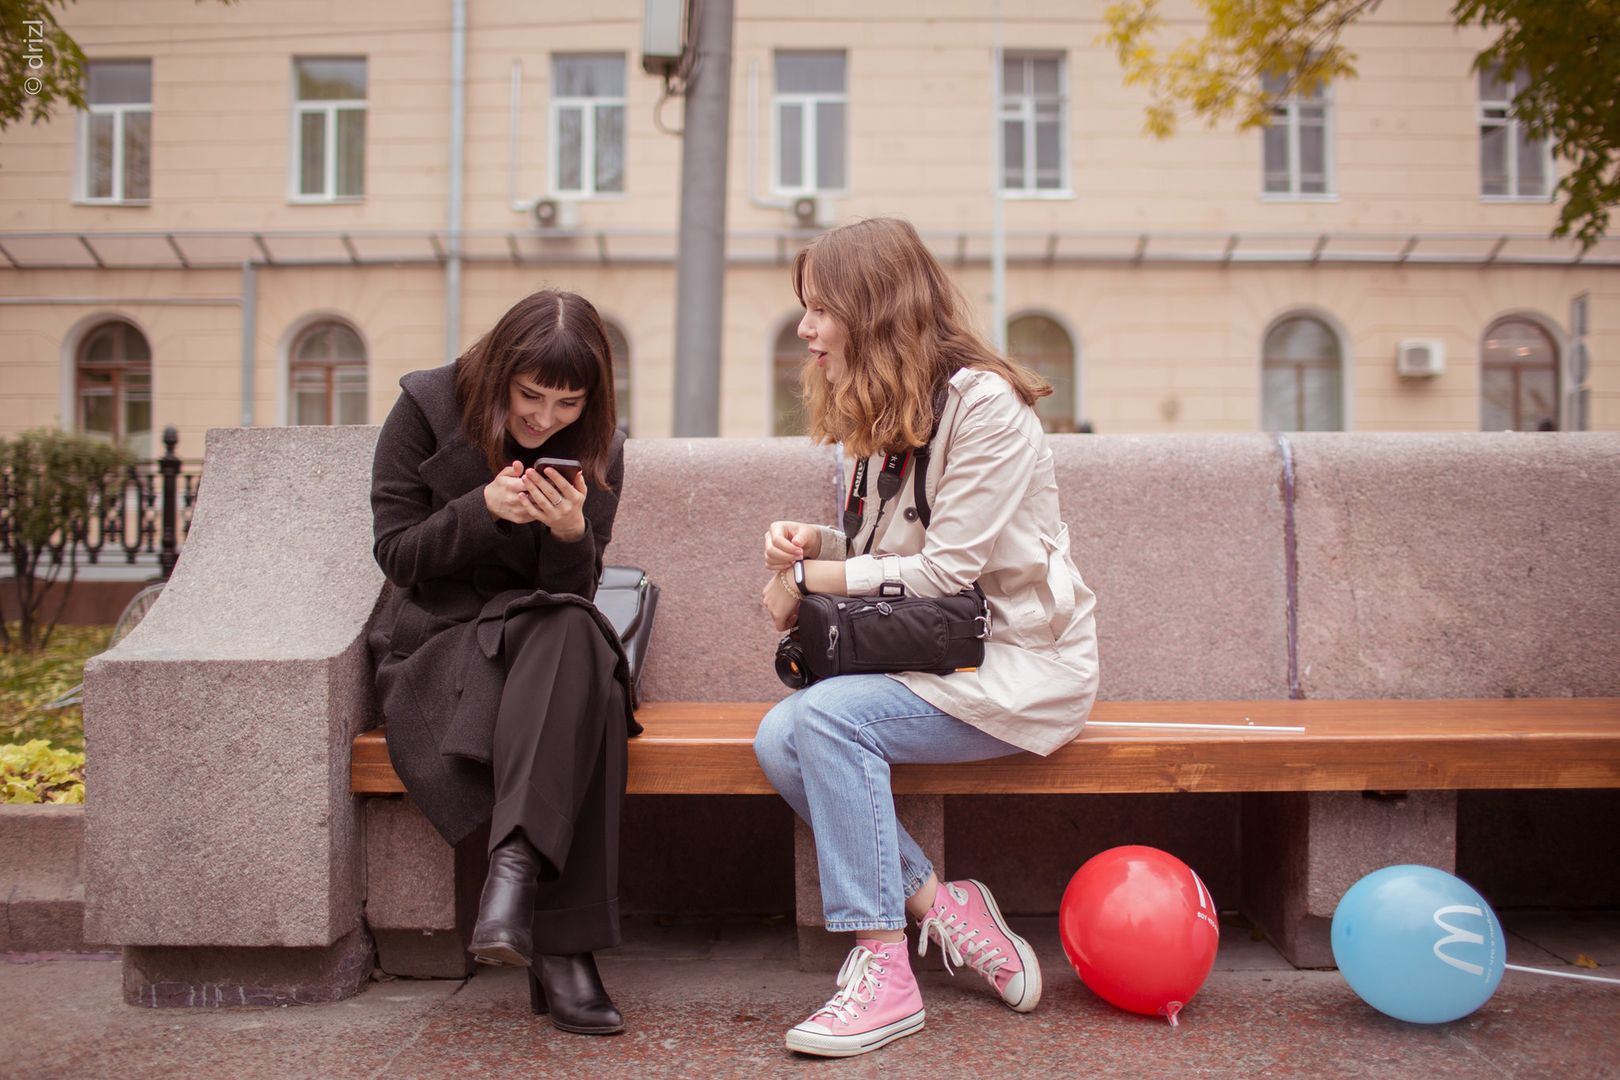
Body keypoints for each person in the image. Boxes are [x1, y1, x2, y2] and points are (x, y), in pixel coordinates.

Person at [754, 218, 1099, 1058]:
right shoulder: (889, 411)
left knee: (826, 718)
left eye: (820, 309)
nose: (805, 329)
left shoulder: (985, 405)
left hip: (1020, 663)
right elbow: (889, 560)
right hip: (942, 653)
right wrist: (820, 547)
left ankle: (885, 969)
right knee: (778, 737)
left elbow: (947, 572)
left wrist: (811, 582)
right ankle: (943, 908)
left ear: (874, 311)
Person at [369, 289, 634, 1036]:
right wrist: (480, 511)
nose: (545, 419)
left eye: (567, 403)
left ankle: (512, 874)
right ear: (500, 375)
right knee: (596, 692)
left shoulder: (600, 447)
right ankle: (566, 948)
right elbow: (397, 555)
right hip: (444, 644)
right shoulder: (425, 407)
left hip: (544, 646)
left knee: (575, 631)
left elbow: (567, 594)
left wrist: (571, 532)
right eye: (530, 397)